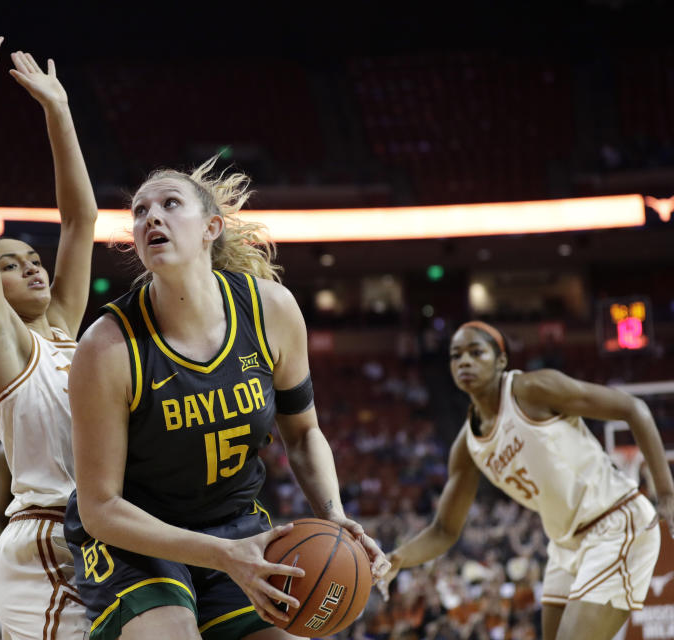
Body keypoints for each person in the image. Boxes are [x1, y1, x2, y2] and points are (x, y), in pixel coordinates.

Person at [64, 158, 389, 640]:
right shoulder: (107, 347)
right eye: (139, 211)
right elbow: (100, 508)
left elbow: (302, 435)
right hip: (134, 538)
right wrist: (218, 555)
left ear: (210, 228)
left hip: (234, 526)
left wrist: (335, 517)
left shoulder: (270, 310)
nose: (151, 217)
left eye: (170, 204)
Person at [0, 11, 98, 639]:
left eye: (34, 260)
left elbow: (80, 221)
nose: (32, 268)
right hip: (46, 545)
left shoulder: (65, 326)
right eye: (11, 265)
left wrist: (59, 111)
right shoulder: (2, 343)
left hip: (101, 531)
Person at [379, 321, 674, 640]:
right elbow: (444, 530)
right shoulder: (466, 446)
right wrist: (398, 558)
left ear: (501, 361)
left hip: (614, 523)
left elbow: (634, 409)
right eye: (456, 355)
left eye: (476, 352)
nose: (464, 361)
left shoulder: (532, 390)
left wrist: (666, 492)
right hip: (565, 544)